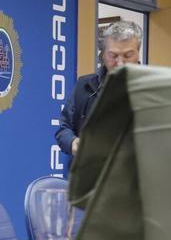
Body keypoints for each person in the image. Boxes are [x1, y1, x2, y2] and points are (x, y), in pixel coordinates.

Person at [55, 19, 143, 161]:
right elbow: (64, 129)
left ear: (138, 54)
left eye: (127, 55)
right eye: (113, 55)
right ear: (103, 54)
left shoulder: (155, 89)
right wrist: (72, 142)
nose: (120, 63)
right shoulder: (85, 85)